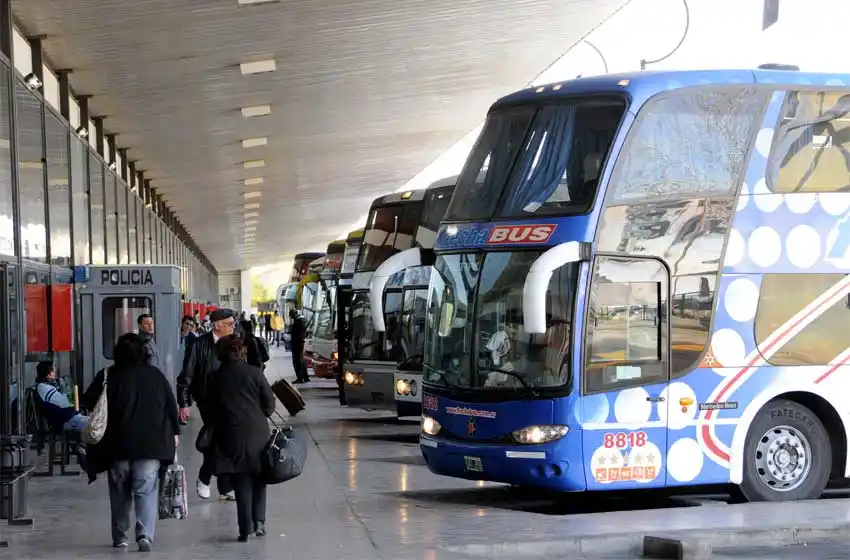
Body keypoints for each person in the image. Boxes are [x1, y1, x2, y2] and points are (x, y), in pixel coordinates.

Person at [81, 333, 180, 552]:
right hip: (150, 444)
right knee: (146, 490)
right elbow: (170, 405)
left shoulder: (107, 375)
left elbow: (88, 401)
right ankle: (144, 535)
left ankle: (120, 536)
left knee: (119, 492)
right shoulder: (155, 375)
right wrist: (175, 431)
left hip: (117, 445)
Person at [205, 334, 276, 542]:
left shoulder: (215, 377)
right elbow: (269, 406)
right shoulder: (255, 373)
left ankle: (246, 529)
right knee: (259, 477)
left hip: (229, 434)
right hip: (257, 433)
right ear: (241, 352)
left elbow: (209, 408)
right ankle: (259, 522)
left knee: (241, 480)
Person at [176, 308, 237, 501]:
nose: (233, 327)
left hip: (232, 400)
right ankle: (207, 479)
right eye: (230, 324)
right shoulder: (199, 344)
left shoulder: (235, 342)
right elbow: (186, 375)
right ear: (217, 325)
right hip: (208, 401)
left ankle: (221, 485)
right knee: (218, 439)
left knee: (224, 441)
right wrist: (184, 403)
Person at [34, 361, 88, 431]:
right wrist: (71, 393)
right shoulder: (43, 387)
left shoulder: (48, 385)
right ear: (48, 374)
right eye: (53, 371)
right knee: (96, 425)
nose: (55, 373)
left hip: (71, 417)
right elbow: (63, 403)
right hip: (67, 420)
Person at [288, 309, 310, 383]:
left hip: (297, 344)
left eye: (291, 316)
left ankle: (300, 378)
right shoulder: (302, 321)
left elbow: (293, 333)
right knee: (301, 360)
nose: (291, 317)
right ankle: (306, 377)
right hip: (300, 343)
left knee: (297, 361)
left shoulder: (297, 323)